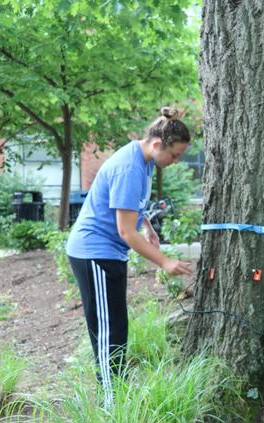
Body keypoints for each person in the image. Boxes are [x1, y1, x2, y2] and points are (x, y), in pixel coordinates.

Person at [66, 107, 193, 406]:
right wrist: (164, 261)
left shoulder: (144, 160)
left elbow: (130, 207)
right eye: (174, 156)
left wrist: (146, 224)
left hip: (108, 253)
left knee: (117, 328)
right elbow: (125, 232)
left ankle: (116, 397)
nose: (174, 162)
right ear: (158, 144)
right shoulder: (131, 167)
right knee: (110, 333)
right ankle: (112, 407)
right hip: (94, 253)